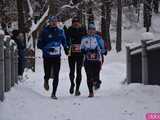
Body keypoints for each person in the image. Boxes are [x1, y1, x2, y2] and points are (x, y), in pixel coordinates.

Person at [37, 16, 69, 99]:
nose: (54, 23)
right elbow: (39, 45)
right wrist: (46, 48)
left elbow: (64, 41)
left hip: (57, 57)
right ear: (49, 22)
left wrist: (66, 49)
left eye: (55, 21)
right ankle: (46, 80)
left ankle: (54, 93)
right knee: (47, 73)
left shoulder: (60, 31)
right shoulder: (44, 32)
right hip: (47, 56)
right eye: (52, 21)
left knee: (56, 74)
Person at [80, 23, 106, 97]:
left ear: (95, 30)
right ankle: (91, 92)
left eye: (93, 29)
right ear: (88, 31)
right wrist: (84, 51)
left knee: (96, 75)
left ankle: (97, 82)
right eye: (90, 29)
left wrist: (103, 51)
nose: (91, 31)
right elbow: (81, 48)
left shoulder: (98, 38)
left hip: (97, 60)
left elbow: (103, 47)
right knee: (89, 76)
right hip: (87, 61)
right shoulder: (84, 38)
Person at [66, 17, 87, 96]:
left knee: (79, 71)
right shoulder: (69, 30)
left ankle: (77, 89)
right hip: (71, 54)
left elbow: (86, 39)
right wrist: (69, 45)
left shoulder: (83, 30)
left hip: (80, 54)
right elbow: (66, 40)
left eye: (77, 22)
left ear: (79, 23)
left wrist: (84, 48)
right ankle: (72, 84)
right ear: (72, 23)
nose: (76, 24)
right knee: (71, 71)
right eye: (74, 23)